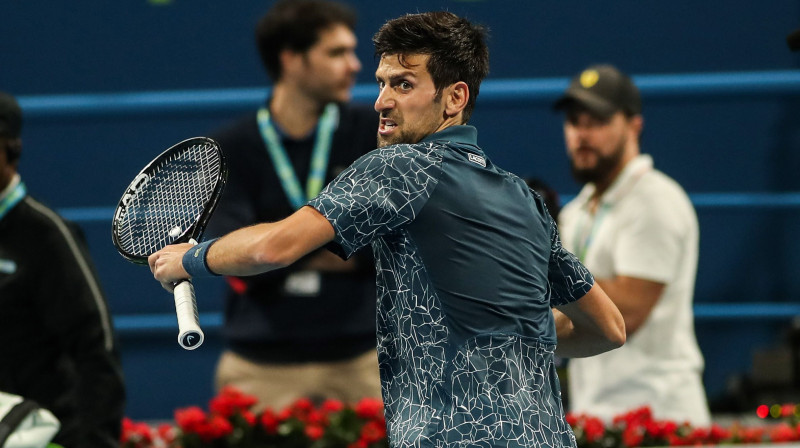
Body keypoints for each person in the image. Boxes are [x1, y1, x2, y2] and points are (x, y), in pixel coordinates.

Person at [151, 11, 625, 447]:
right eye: (381, 84)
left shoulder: (397, 167)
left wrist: (191, 257)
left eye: (402, 84)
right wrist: (504, 335)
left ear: (454, 97)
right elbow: (607, 327)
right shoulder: (522, 195)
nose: (381, 100)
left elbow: (276, 248)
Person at [204, 0, 380, 410]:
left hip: (365, 359)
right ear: (292, 59)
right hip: (259, 365)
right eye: (336, 53)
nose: (355, 66)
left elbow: (384, 245)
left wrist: (275, 248)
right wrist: (336, 241)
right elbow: (233, 253)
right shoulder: (229, 148)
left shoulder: (375, 136)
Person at [553, 64, 711, 426]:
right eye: (575, 122)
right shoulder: (577, 210)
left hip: (661, 420)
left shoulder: (655, 200)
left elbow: (627, 312)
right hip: (596, 419)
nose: (582, 134)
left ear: (634, 125)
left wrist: (531, 293)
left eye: (598, 121)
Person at [0, 91, 125, 447]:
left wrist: (96, 439)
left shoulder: (48, 235)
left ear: (11, 150)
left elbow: (96, 347)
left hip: (42, 432)